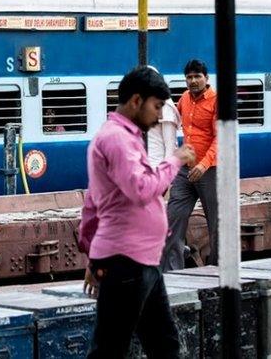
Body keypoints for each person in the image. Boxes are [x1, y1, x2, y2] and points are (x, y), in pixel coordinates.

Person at [79, 66, 196, 358]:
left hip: (140, 260)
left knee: (164, 344)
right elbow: (142, 188)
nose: (159, 116)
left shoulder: (124, 137)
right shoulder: (117, 139)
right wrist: (175, 159)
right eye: (156, 107)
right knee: (110, 348)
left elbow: (93, 205)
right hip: (126, 261)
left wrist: (94, 259)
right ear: (136, 101)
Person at [161, 59, 218, 271]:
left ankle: (217, 271)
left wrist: (203, 165)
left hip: (211, 170)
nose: (193, 81)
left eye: (197, 76)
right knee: (173, 219)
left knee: (216, 223)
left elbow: (219, 138)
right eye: (189, 77)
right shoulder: (184, 99)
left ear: (206, 78)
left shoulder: (216, 101)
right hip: (185, 170)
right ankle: (172, 272)